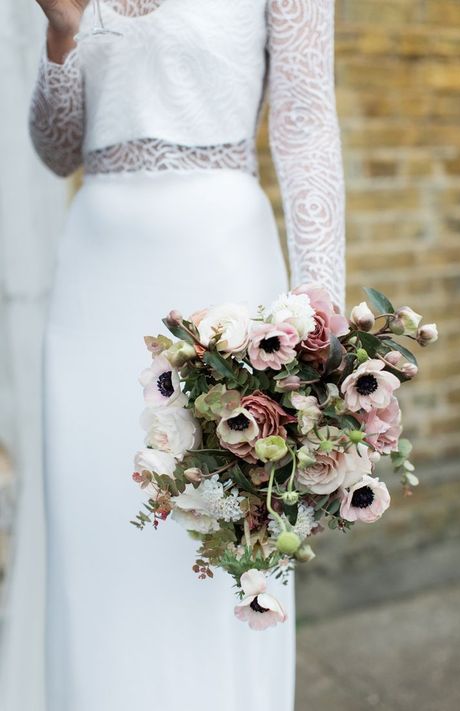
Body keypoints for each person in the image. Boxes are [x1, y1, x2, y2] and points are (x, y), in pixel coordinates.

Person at [10, 1, 345, 709]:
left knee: (210, 543)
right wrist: (62, 36)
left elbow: (306, 124)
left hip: (219, 270)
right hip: (95, 280)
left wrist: (319, 324)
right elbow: (56, 147)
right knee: (96, 545)